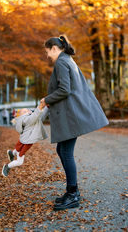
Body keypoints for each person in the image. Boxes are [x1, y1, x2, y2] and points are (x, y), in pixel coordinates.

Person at [40, 35, 109, 211]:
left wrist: (46, 99)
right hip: (70, 115)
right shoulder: (68, 60)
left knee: (66, 152)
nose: (47, 56)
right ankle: (71, 191)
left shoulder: (62, 62)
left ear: (54, 48)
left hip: (70, 116)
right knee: (61, 150)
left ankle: (73, 194)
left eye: (48, 52)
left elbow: (64, 89)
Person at [2, 103, 48, 177]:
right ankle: (7, 166)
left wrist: (47, 108)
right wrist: (40, 107)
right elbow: (34, 116)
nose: (28, 111)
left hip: (25, 140)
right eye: (24, 111)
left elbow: (40, 117)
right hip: (26, 141)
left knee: (17, 151)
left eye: (27, 110)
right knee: (20, 161)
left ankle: (12, 153)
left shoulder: (28, 118)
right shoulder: (25, 119)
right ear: (21, 115)